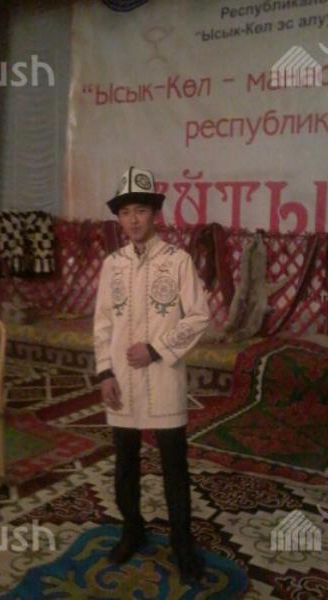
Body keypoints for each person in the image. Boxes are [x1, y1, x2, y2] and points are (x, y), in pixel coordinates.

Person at [93, 167, 210, 582]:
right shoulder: (112, 265)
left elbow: (199, 316)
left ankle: (182, 544)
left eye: (141, 210)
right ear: (119, 218)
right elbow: (102, 324)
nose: (133, 220)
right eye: (126, 212)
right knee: (124, 464)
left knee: (174, 467)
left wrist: (157, 349)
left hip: (164, 379)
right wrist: (105, 373)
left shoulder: (177, 261)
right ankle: (132, 530)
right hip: (122, 381)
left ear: (155, 213)